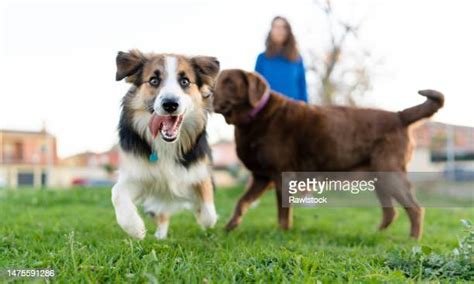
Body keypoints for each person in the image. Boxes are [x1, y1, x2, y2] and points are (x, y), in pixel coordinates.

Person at [255, 16, 308, 102]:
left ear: (288, 31)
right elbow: (255, 88)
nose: (279, 30)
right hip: (268, 110)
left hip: (292, 109)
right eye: (276, 27)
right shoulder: (262, 58)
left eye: (283, 27)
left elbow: (302, 88)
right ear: (271, 31)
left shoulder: (297, 59)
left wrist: (306, 111)